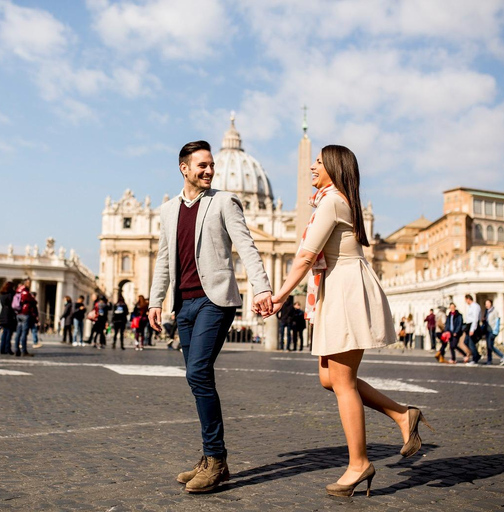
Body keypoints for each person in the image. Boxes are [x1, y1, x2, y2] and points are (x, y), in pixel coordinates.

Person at [264, 145, 431, 498]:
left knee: (341, 381)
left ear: (334, 167)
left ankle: (359, 463)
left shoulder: (331, 202)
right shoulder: (335, 199)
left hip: (345, 292)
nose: (311, 166)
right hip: (339, 288)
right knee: (330, 378)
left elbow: (305, 256)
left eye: (319, 162)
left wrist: (278, 296)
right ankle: (403, 416)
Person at [148, 140, 273, 494]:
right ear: (183, 168)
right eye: (201, 165)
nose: (208, 170)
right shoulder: (168, 210)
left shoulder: (224, 201)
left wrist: (261, 288)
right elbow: (163, 259)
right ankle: (210, 456)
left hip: (214, 300)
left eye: (211, 165)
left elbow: (246, 245)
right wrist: (156, 300)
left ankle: (216, 460)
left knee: (198, 371)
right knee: (196, 378)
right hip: (183, 303)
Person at [13, 278, 36, 356]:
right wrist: (33, 300)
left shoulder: (18, 290)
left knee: (18, 333)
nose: (30, 284)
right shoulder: (25, 291)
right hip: (25, 313)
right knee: (24, 333)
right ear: (26, 283)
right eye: (29, 283)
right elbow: (32, 300)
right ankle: (24, 350)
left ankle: (16, 349)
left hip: (18, 313)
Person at [483, 299, 504, 365]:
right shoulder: (487, 312)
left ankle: (502, 356)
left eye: (487, 303)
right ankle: (489, 360)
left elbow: (497, 321)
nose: (486, 305)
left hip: (492, 331)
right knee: (488, 346)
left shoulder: (494, 311)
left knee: (490, 346)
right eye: (485, 303)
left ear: (491, 303)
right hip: (487, 330)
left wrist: (496, 331)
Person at [0, 281, 16, 355]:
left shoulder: (2, 295)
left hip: (3, 314)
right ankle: (8, 349)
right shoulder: (11, 295)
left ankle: (2, 349)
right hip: (9, 315)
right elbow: (13, 305)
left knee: (4, 333)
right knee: (8, 333)